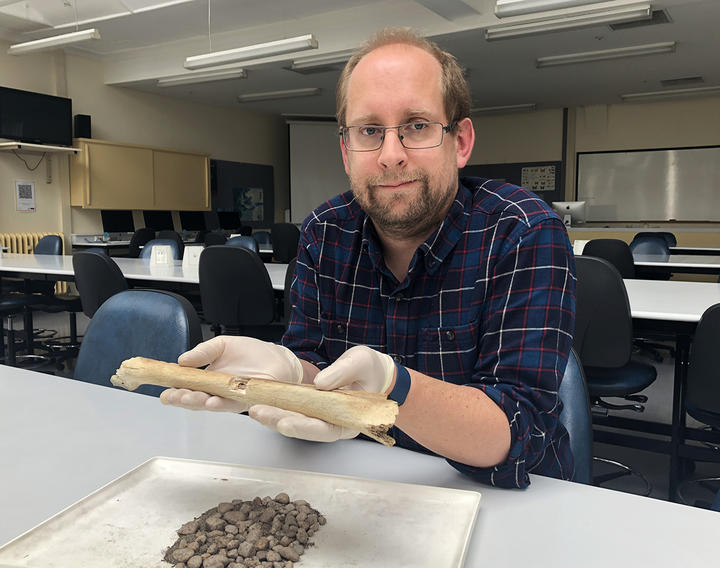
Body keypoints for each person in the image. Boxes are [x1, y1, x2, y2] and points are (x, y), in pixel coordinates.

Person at [161, 28, 576, 489]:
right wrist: (294, 373)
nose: (391, 155)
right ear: (346, 149)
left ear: (459, 142)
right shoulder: (326, 232)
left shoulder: (522, 231)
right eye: (370, 131)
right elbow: (315, 365)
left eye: (417, 126)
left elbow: (515, 429)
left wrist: (393, 387)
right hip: (356, 481)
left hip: (501, 498)